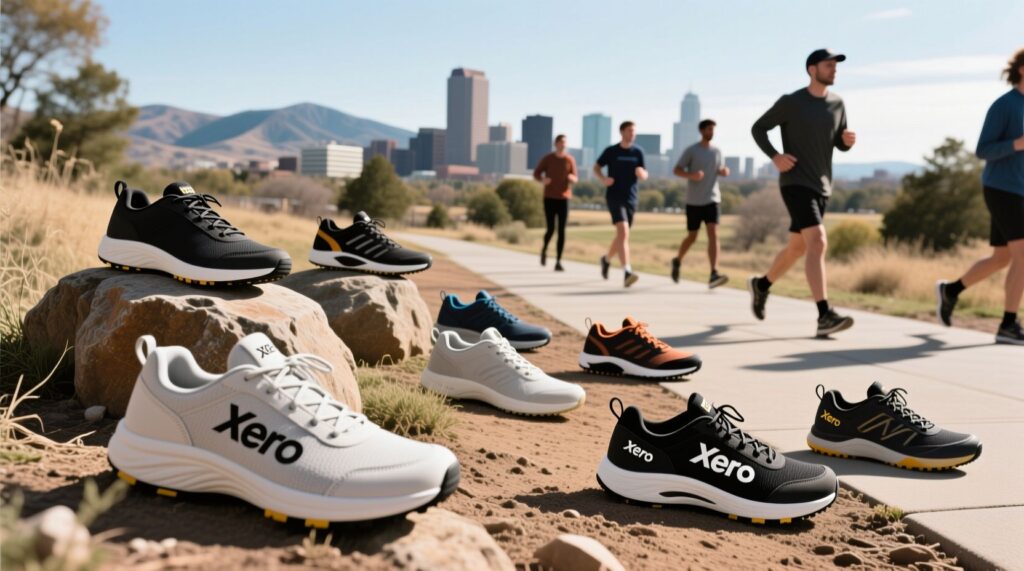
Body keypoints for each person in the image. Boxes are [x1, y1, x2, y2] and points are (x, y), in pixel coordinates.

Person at [748, 48, 856, 337]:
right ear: (812, 69)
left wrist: (846, 142)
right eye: (828, 65)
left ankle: (762, 285)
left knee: (798, 248)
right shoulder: (791, 102)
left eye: (836, 65)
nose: (834, 69)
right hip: (795, 182)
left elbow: (837, 142)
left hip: (823, 185)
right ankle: (824, 316)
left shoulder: (838, 104)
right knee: (818, 242)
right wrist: (775, 156)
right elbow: (759, 128)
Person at [936, 49, 1024, 345]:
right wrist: (1017, 143)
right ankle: (1008, 325)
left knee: (1002, 258)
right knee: (1022, 255)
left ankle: (951, 291)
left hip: (1021, 190)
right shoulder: (1004, 106)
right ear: (1022, 70)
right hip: (1002, 188)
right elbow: (983, 150)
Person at [672, 118, 729, 288]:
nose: (711, 132)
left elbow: (720, 169)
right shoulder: (692, 151)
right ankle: (677, 260)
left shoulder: (717, 151)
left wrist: (723, 171)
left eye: (713, 129)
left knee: (713, 232)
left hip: (712, 199)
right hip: (694, 201)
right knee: (692, 237)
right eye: (709, 129)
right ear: (702, 131)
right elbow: (677, 170)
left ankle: (713, 273)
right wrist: (692, 176)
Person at [594, 121, 648, 287]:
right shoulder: (611, 151)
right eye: (630, 131)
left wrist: (642, 174)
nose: (632, 134)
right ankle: (627, 272)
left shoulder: (638, 152)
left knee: (621, 236)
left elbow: (645, 174)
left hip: (631, 198)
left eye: (634, 131)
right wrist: (603, 179)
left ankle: (606, 259)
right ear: (622, 132)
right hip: (614, 196)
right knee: (623, 232)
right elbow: (596, 167)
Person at [533, 134, 578, 271]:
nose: (563, 145)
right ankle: (544, 249)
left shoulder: (570, 159)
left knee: (562, 231)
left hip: (564, 198)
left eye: (565, 142)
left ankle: (558, 261)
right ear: (556, 143)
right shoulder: (548, 158)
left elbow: (576, 178)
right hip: (550, 197)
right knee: (551, 229)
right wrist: (543, 180)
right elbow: (536, 174)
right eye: (561, 142)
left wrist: (572, 178)